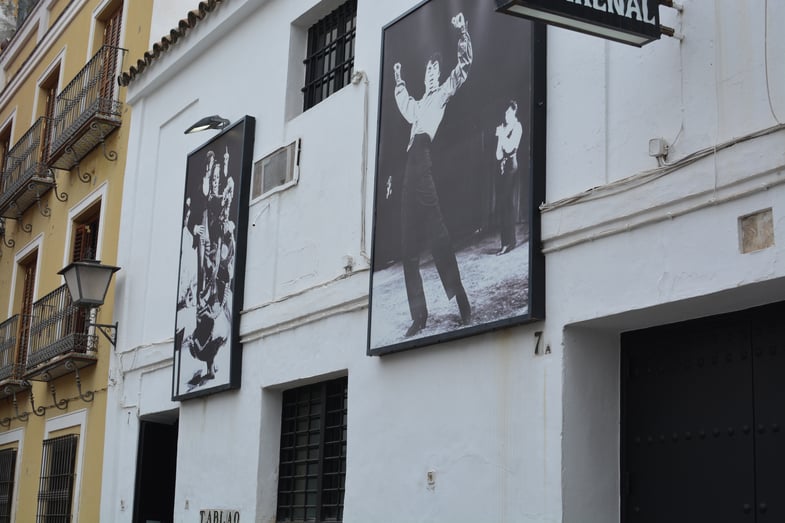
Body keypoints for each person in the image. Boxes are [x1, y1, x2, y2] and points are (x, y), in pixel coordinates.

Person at [389, 12, 472, 337]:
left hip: (423, 163)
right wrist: (397, 78)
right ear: (425, 75)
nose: (434, 74)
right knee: (408, 250)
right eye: (430, 69)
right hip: (409, 171)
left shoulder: (441, 97)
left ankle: (461, 300)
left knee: (439, 240)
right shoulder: (419, 104)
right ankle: (419, 316)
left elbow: (463, 69)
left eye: (437, 69)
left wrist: (463, 32)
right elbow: (404, 102)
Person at [494, 100, 523, 255]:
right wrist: (500, 137)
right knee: (503, 203)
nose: (506, 116)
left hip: (511, 166)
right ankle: (507, 242)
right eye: (505, 113)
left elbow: (510, 147)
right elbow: (498, 154)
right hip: (502, 167)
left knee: (506, 201)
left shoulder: (517, 127)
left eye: (509, 113)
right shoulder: (504, 128)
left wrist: (502, 135)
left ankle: (508, 243)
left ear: (514, 113)